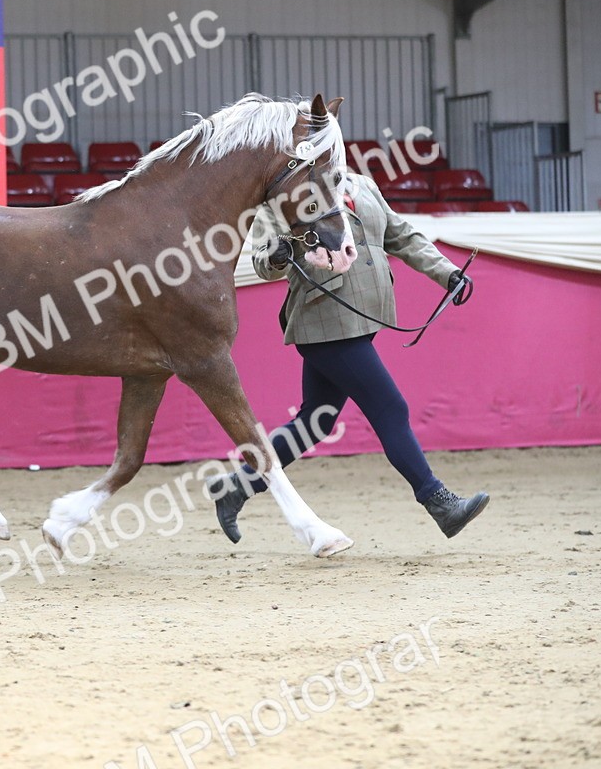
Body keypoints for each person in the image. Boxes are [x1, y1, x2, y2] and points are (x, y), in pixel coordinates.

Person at [209, 169, 489, 544]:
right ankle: (439, 502)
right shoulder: (285, 195)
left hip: (360, 319)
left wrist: (447, 273)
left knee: (314, 423)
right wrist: (276, 256)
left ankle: (236, 488)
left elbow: (401, 235)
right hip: (324, 318)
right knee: (390, 408)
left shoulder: (363, 184)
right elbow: (261, 259)